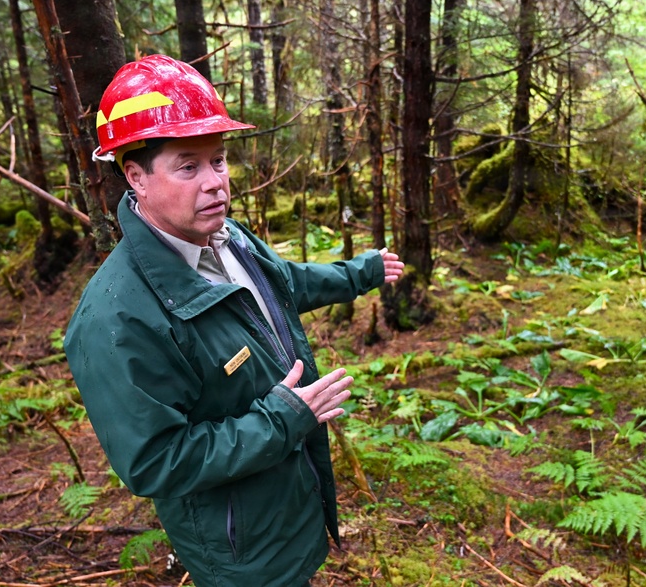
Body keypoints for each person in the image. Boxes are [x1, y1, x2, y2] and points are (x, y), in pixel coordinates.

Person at [63, 54, 404, 587]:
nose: (216, 183)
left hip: (289, 504)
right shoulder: (116, 317)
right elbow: (156, 461)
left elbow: (282, 285)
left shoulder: (227, 239)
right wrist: (285, 419)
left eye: (218, 160)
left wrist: (359, 274)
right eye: (188, 165)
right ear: (136, 177)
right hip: (239, 548)